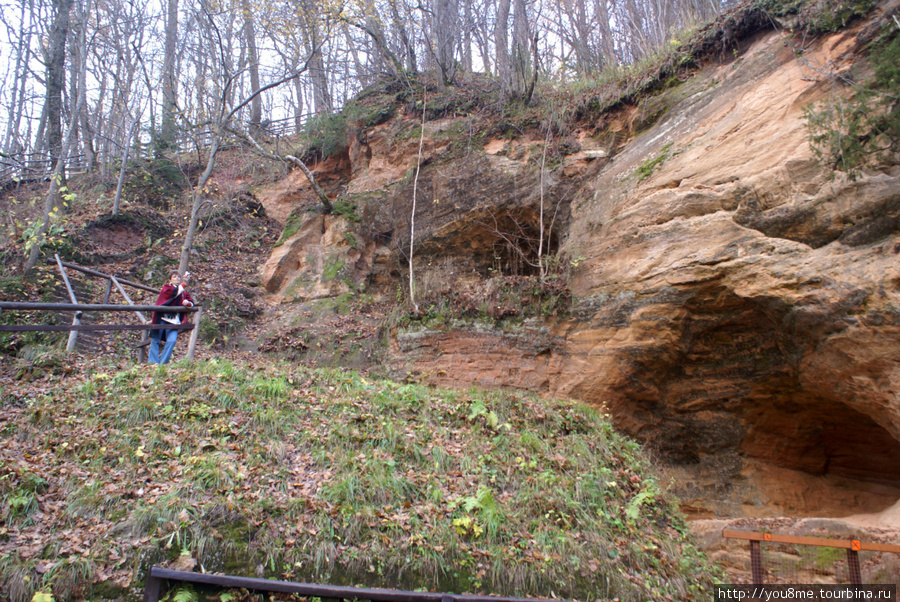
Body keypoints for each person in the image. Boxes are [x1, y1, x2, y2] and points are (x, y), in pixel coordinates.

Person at [149, 270, 194, 364]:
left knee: (172, 340)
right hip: (161, 318)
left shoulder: (182, 292)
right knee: (155, 339)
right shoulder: (167, 288)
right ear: (170, 279)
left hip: (174, 321)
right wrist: (184, 283)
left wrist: (188, 303)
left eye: (178, 276)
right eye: (174, 277)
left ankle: (162, 364)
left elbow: (191, 302)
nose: (177, 278)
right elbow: (173, 293)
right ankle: (153, 363)